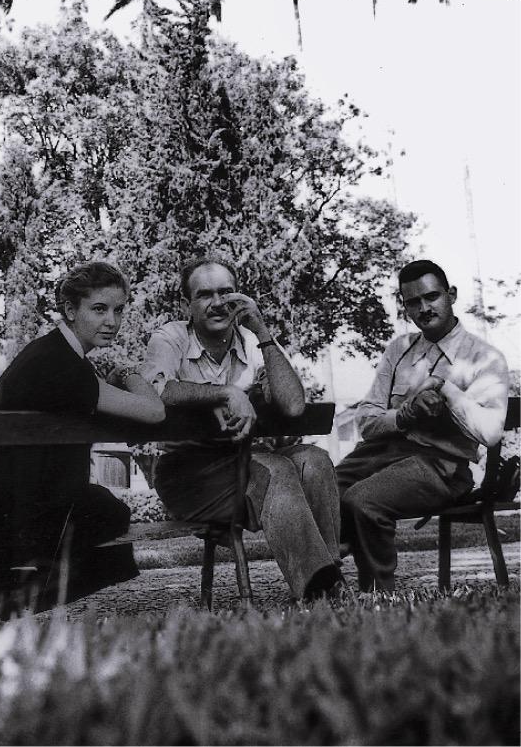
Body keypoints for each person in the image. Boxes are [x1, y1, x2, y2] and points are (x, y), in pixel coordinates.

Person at [0, 261, 165, 621]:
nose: (112, 322)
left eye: (119, 310)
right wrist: (132, 372)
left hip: (10, 505)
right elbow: (153, 412)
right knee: (109, 517)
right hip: (14, 517)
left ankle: (2, 600)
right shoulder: (59, 364)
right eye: (99, 309)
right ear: (71, 310)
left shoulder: (54, 354)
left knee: (106, 513)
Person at [140, 256, 343, 601]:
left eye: (227, 292)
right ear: (186, 303)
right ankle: (318, 592)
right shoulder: (171, 336)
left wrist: (263, 331)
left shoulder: (251, 340)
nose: (218, 303)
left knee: (314, 459)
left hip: (244, 463)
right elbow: (159, 389)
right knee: (275, 465)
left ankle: (332, 577)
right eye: (204, 295)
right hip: (189, 473)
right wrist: (226, 392)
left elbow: (293, 405)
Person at [337, 259, 509, 592]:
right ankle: (328, 583)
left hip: (442, 466)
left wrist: (445, 389)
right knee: (322, 491)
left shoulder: (485, 358)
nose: (424, 307)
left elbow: (490, 433)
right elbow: (365, 420)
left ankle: (378, 595)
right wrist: (404, 415)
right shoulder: (399, 350)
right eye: (413, 302)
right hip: (381, 452)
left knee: (362, 500)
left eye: (432, 296)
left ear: (451, 295)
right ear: (405, 307)